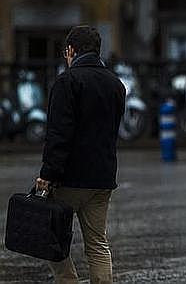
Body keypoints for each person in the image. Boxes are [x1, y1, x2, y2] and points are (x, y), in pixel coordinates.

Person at [35, 25, 126, 283]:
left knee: (51, 239)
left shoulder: (67, 81)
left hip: (70, 179)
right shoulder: (116, 84)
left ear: (71, 51)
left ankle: (68, 280)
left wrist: (47, 173)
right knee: (97, 244)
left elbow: (59, 134)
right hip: (102, 179)